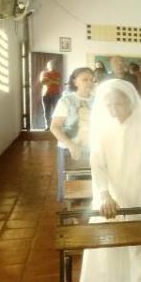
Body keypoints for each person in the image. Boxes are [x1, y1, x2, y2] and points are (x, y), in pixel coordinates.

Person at [80, 79, 141, 282]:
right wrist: (104, 195)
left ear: (130, 102)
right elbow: (98, 165)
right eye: (108, 105)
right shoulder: (102, 127)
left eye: (118, 104)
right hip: (112, 196)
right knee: (110, 244)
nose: (113, 110)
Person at [50, 68, 95, 201]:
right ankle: (74, 217)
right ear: (75, 82)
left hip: (92, 149)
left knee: (92, 185)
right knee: (72, 187)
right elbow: (55, 127)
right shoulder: (66, 101)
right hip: (70, 150)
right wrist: (70, 145)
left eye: (91, 79)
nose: (89, 82)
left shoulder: (98, 100)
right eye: (85, 79)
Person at [40, 59, 62, 130]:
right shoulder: (44, 73)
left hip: (56, 94)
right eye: (50, 64)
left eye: (53, 64)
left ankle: (56, 126)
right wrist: (54, 81)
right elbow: (43, 82)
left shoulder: (58, 73)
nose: (52, 66)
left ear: (55, 66)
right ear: (47, 66)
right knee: (46, 111)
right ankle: (48, 126)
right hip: (46, 94)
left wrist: (49, 80)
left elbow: (58, 83)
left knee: (57, 111)